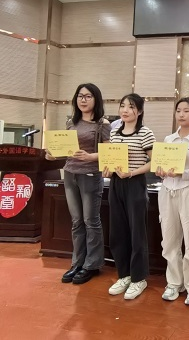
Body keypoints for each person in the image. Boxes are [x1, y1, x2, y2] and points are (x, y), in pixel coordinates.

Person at [46, 83, 111, 284]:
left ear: (96, 99)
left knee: (91, 220)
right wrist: (52, 154)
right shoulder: (71, 122)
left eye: (88, 96)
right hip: (70, 173)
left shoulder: (102, 123)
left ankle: (92, 265)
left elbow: (109, 152)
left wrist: (91, 157)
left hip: (90, 175)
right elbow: (66, 150)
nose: (83, 100)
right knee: (76, 221)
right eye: (80, 96)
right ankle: (77, 262)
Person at [155, 97, 189, 306]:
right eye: (178, 110)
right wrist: (160, 171)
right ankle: (174, 283)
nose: (181, 114)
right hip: (167, 191)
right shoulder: (168, 139)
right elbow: (161, 165)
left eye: (186, 111)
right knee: (169, 242)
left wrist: (183, 173)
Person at [102, 93, 156, 300]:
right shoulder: (115, 133)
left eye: (131, 106)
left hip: (135, 183)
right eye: (122, 106)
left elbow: (154, 162)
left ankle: (139, 278)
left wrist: (132, 172)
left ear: (139, 111)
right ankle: (123, 274)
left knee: (136, 232)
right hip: (116, 184)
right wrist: (107, 170)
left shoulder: (145, 133)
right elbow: (110, 160)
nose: (125, 110)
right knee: (118, 231)